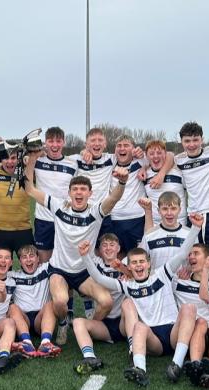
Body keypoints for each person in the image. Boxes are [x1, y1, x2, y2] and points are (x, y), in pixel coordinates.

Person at [23, 156, 130, 345]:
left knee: (106, 302)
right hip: (60, 269)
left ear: (90, 193)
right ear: (69, 193)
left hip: (84, 271)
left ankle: (89, 327)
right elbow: (30, 189)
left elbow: (114, 198)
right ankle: (64, 322)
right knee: (60, 301)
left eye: (83, 189)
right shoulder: (58, 206)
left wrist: (121, 181)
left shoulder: (95, 212)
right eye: (75, 189)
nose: (79, 193)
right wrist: (31, 160)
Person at [79, 222, 198, 388]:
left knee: (189, 308)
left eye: (142, 261)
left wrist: (196, 227)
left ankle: (176, 364)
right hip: (152, 339)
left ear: (149, 264)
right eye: (134, 263)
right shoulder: (128, 286)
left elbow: (183, 252)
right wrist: (85, 256)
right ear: (129, 267)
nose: (138, 265)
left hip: (172, 332)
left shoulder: (162, 274)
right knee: (139, 327)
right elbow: (99, 279)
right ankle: (139, 369)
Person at [174, 122, 209, 273]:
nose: (191, 144)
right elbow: (165, 160)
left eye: (195, 140)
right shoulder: (179, 161)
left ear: (202, 139)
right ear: (181, 141)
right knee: (194, 265)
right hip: (194, 217)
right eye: (187, 141)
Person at [174, 243, 209, 386]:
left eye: (196, 253)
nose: (191, 256)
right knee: (200, 322)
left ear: (208, 259)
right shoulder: (179, 280)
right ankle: (195, 365)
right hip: (185, 334)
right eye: (190, 254)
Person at [70, 235, 127, 374]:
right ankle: (90, 358)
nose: (108, 248)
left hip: (124, 322)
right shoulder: (96, 263)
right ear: (99, 250)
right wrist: (84, 253)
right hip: (104, 323)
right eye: (104, 245)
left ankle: (134, 350)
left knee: (128, 303)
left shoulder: (127, 263)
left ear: (118, 248)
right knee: (77, 322)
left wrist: (125, 271)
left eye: (112, 244)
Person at [8, 244, 62, 358]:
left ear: (38, 259)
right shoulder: (12, 275)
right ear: (20, 261)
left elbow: (61, 256)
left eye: (32, 256)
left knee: (50, 304)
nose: (28, 259)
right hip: (23, 319)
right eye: (24, 257)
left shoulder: (46, 268)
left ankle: (45, 343)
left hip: (41, 318)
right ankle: (27, 343)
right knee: (12, 307)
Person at [32, 127, 76, 263]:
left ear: (63, 142)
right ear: (45, 143)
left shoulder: (73, 164)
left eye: (58, 141)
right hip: (43, 221)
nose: (55, 145)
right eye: (51, 141)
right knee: (44, 262)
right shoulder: (37, 161)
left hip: (65, 219)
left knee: (66, 261)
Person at [0, 146, 34, 255]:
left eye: (13, 158)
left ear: (19, 159)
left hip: (23, 230)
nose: (9, 162)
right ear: (0, 160)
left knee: (29, 266)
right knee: (2, 268)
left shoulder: (28, 172)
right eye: (6, 158)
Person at [138, 192, 194, 271]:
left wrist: (189, 270)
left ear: (180, 210)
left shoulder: (190, 234)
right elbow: (139, 259)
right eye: (165, 209)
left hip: (182, 282)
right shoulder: (149, 235)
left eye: (173, 208)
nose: (169, 213)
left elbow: (196, 262)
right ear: (158, 211)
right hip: (157, 282)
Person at [141, 139, 187, 225]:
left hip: (179, 223)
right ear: (146, 156)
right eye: (151, 154)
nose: (155, 156)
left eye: (159, 153)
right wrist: (143, 168)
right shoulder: (144, 175)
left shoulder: (178, 171)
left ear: (165, 154)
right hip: (155, 224)